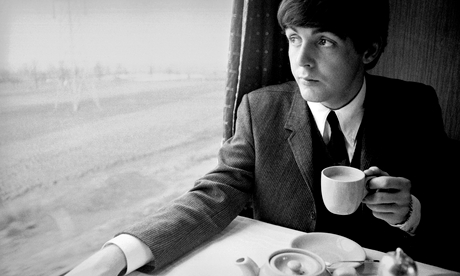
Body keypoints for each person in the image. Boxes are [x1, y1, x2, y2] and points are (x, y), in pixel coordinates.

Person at [66, 0, 452, 275]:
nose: (301, 61)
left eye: (324, 41)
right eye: (293, 38)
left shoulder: (414, 106)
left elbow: (451, 206)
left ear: (368, 51)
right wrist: (118, 253)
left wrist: (411, 212)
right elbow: (213, 195)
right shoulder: (259, 109)